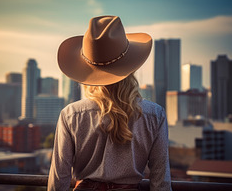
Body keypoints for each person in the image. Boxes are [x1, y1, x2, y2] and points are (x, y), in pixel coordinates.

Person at [48, 15, 172, 191]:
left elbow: (59, 179)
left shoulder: (70, 115)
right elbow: (161, 181)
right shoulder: (155, 114)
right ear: (131, 67)